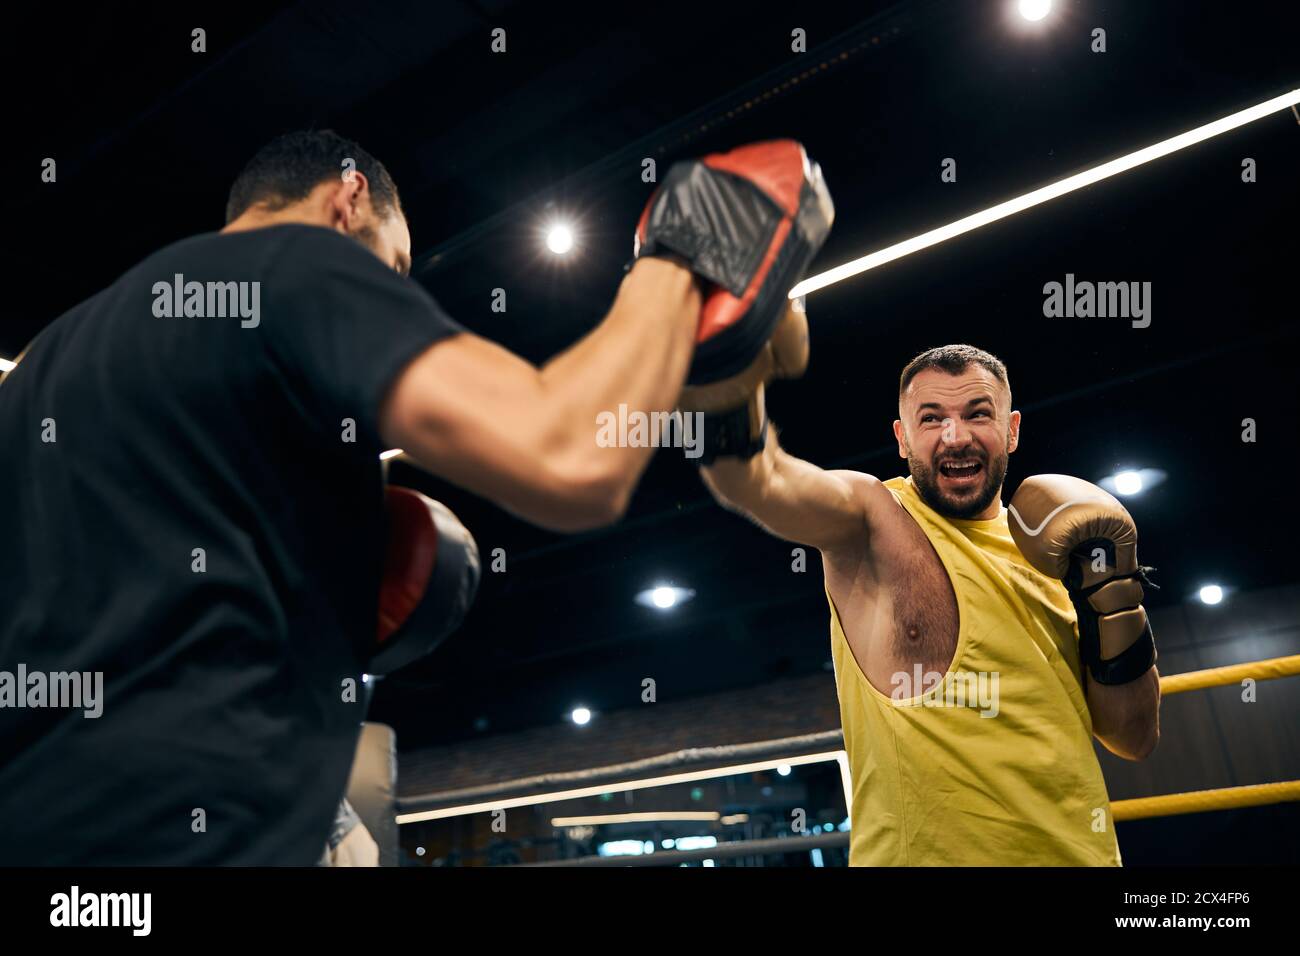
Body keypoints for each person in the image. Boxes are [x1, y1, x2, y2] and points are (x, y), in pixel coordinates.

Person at [0, 130, 830, 864]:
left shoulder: (45, 362)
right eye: (395, 269)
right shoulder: (296, 259)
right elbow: (572, 454)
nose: (394, 290)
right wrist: (681, 254)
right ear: (349, 196)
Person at [691, 343, 1161, 865]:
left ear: (1012, 429)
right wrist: (724, 344)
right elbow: (755, 477)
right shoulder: (870, 519)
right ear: (902, 437)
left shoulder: (1052, 551)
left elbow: (1134, 737)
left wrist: (1113, 597)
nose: (955, 437)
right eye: (931, 419)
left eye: (977, 414)